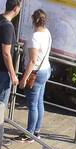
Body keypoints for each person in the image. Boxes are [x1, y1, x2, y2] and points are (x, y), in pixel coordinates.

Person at [20, 8, 52, 137]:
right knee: (39, 102)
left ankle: (29, 134)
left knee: (32, 105)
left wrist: (24, 79)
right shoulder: (47, 33)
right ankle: (36, 131)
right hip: (45, 69)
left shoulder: (34, 37)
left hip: (35, 73)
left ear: (33, 20)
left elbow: (32, 60)